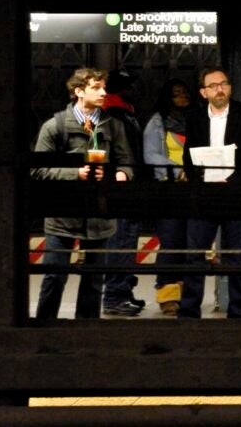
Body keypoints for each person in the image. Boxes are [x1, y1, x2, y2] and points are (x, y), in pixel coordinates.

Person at [31, 67, 135, 320]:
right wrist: (74, 174)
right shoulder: (55, 126)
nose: (103, 93)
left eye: (103, 87)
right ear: (78, 92)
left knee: (93, 279)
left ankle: (86, 331)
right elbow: (37, 169)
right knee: (55, 275)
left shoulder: (113, 125)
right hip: (63, 215)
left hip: (99, 214)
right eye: (96, 88)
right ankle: (44, 329)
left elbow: (126, 163)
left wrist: (117, 176)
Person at [178, 68, 241, 319]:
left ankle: (239, 310)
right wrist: (198, 180)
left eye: (224, 84)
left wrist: (234, 180)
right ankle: (189, 311)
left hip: (235, 193)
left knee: (237, 255)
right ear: (204, 92)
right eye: (213, 86)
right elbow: (188, 155)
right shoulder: (194, 116)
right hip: (204, 193)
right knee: (195, 255)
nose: (220, 89)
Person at [143, 78, 194, 315]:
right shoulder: (158, 122)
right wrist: (177, 168)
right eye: (177, 94)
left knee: (190, 243)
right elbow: (151, 154)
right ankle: (167, 295)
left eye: (185, 92)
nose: (182, 97)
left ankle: (185, 292)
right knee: (171, 242)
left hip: (192, 190)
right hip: (169, 189)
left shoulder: (195, 119)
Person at [101, 69, 148, 317]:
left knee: (126, 242)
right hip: (122, 190)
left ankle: (123, 292)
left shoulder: (123, 113)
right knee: (120, 242)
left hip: (129, 188)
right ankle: (114, 296)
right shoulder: (114, 115)